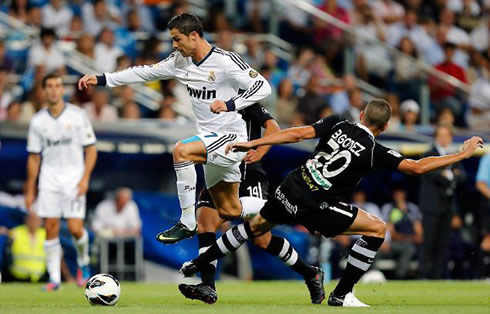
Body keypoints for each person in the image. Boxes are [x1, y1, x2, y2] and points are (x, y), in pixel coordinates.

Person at [180, 99, 483, 307]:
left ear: (361, 115)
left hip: (292, 185)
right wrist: (462, 153)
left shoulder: (338, 123)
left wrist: (255, 142)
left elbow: (297, 133)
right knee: (377, 229)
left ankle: (198, 261)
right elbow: (418, 167)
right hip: (316, 204)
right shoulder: (375, 150)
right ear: (385, 127)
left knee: (255, 226)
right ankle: (342, 294)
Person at [78, 13, 271, 244]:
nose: (173, 45)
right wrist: (102, 79)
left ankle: (187, 221)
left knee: (181, 150)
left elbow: (263, 86)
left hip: (231, 139)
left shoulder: (225, 61)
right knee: (230, 210)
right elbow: (143, 71)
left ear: (193, 36)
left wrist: (230, 104)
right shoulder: (180, 61)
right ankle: (285, 206)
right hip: (211, 141)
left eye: (177, 39)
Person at [179, 103, 324, 305]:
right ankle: (208, 285)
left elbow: (273, 128)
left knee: (262, 239)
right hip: (219, 171)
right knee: (205, 222)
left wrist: (261, 151)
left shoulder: (244, 102)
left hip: (249, 173)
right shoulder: (206, 101)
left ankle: (310, 273)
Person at [25, 74, 97, 291]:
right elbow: (34, 156)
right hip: (48, 179)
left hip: (74, 179)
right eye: (50, 86)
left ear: (62, 90)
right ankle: (54, 279)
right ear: (44, 91)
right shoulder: (38, 121)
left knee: (75, 228)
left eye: (58, 86)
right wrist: (30, 188)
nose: (54, 90)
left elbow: (91, 149)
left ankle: (83, 263)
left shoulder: (77, 115)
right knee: (50, 227)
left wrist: (85, 179)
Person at [418, 123, 466, 279]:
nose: (444, 139)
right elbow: (433, 175)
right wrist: (450, 174)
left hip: (447, 207)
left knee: (443, 243)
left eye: (447, 136)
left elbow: (462, 177)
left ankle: (438, 276)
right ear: (436, 137)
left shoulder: (453, 156)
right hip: (431, 207)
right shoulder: (428, 154)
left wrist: (448, 174)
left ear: (451, 137)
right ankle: (424, 276)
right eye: (441, 135)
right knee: (429, 242)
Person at [380, 187, 422, 279]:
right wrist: (409, 238)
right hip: (393, 243)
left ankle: (400, 277)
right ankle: (373, 276)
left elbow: (419, 234)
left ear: (404, 195)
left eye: (401, 194)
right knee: (377, 249)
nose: (399, 196)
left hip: (410, 243)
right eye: (396, 194)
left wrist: (412, 238)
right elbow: (391, 233)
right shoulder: (389, 208)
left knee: (410, 248)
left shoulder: (412, 208)